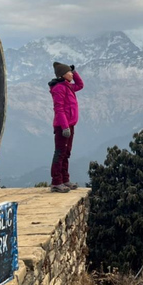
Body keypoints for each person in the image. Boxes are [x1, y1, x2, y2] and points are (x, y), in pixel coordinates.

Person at [49, 62, 84, 192]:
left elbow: (80, 85)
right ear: (63, 75)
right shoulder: (59, 88)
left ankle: (65, 179)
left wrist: (75, 72)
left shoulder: (68, 86)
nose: (71, 74)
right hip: (62, 126)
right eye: (69, 72)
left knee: (66, 153)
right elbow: (59, 109)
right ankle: (56, 182)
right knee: (60, 153)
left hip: (70, 125)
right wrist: (64, 127)